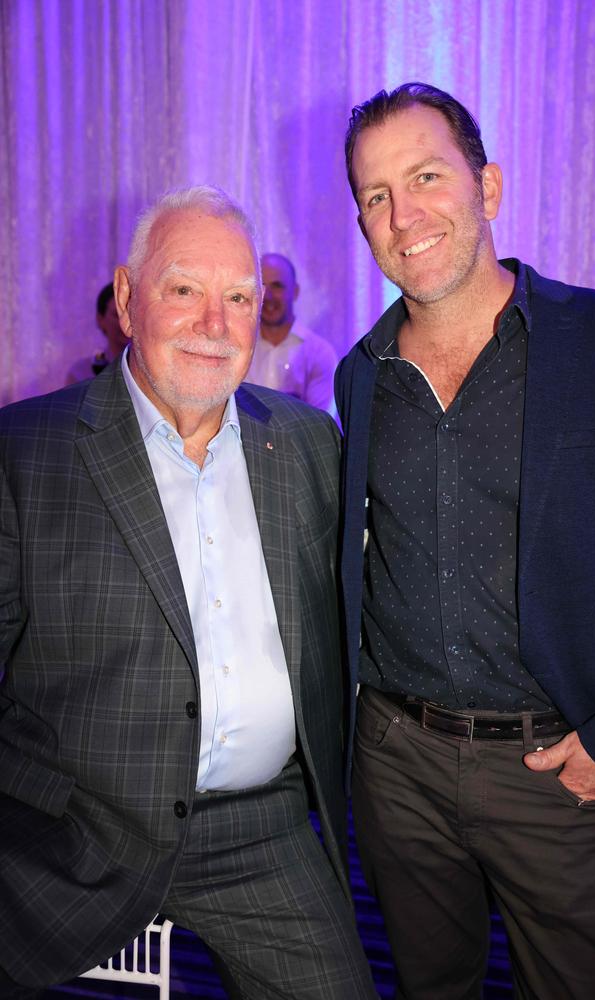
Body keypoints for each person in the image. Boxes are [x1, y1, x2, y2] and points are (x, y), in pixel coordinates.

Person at [0, 186, 377, 1000]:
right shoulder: (24, 453)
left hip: (260, 828)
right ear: (129, 300)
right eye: (184, 290)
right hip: (72, 829)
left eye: (238, 298)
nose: (215, 324)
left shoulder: (308, 443)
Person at [336, 82, 595, 1000]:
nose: (404, 214)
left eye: (427, 176)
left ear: (490, 186)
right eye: (376, 196)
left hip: (557, 770)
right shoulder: (363, 376)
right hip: (398, 768)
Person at [246, 253, 338, 415]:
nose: (268, 295)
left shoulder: (319, 354)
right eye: (261, 285)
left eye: (277, 286)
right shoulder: (240, 348)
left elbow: (319, 425)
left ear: (294, 292)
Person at [65, 281, 130, 383]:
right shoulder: (81, 373)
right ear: (100, 319)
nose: (126, 321)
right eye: (117, 315)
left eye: (131, 313)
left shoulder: (153, 369)